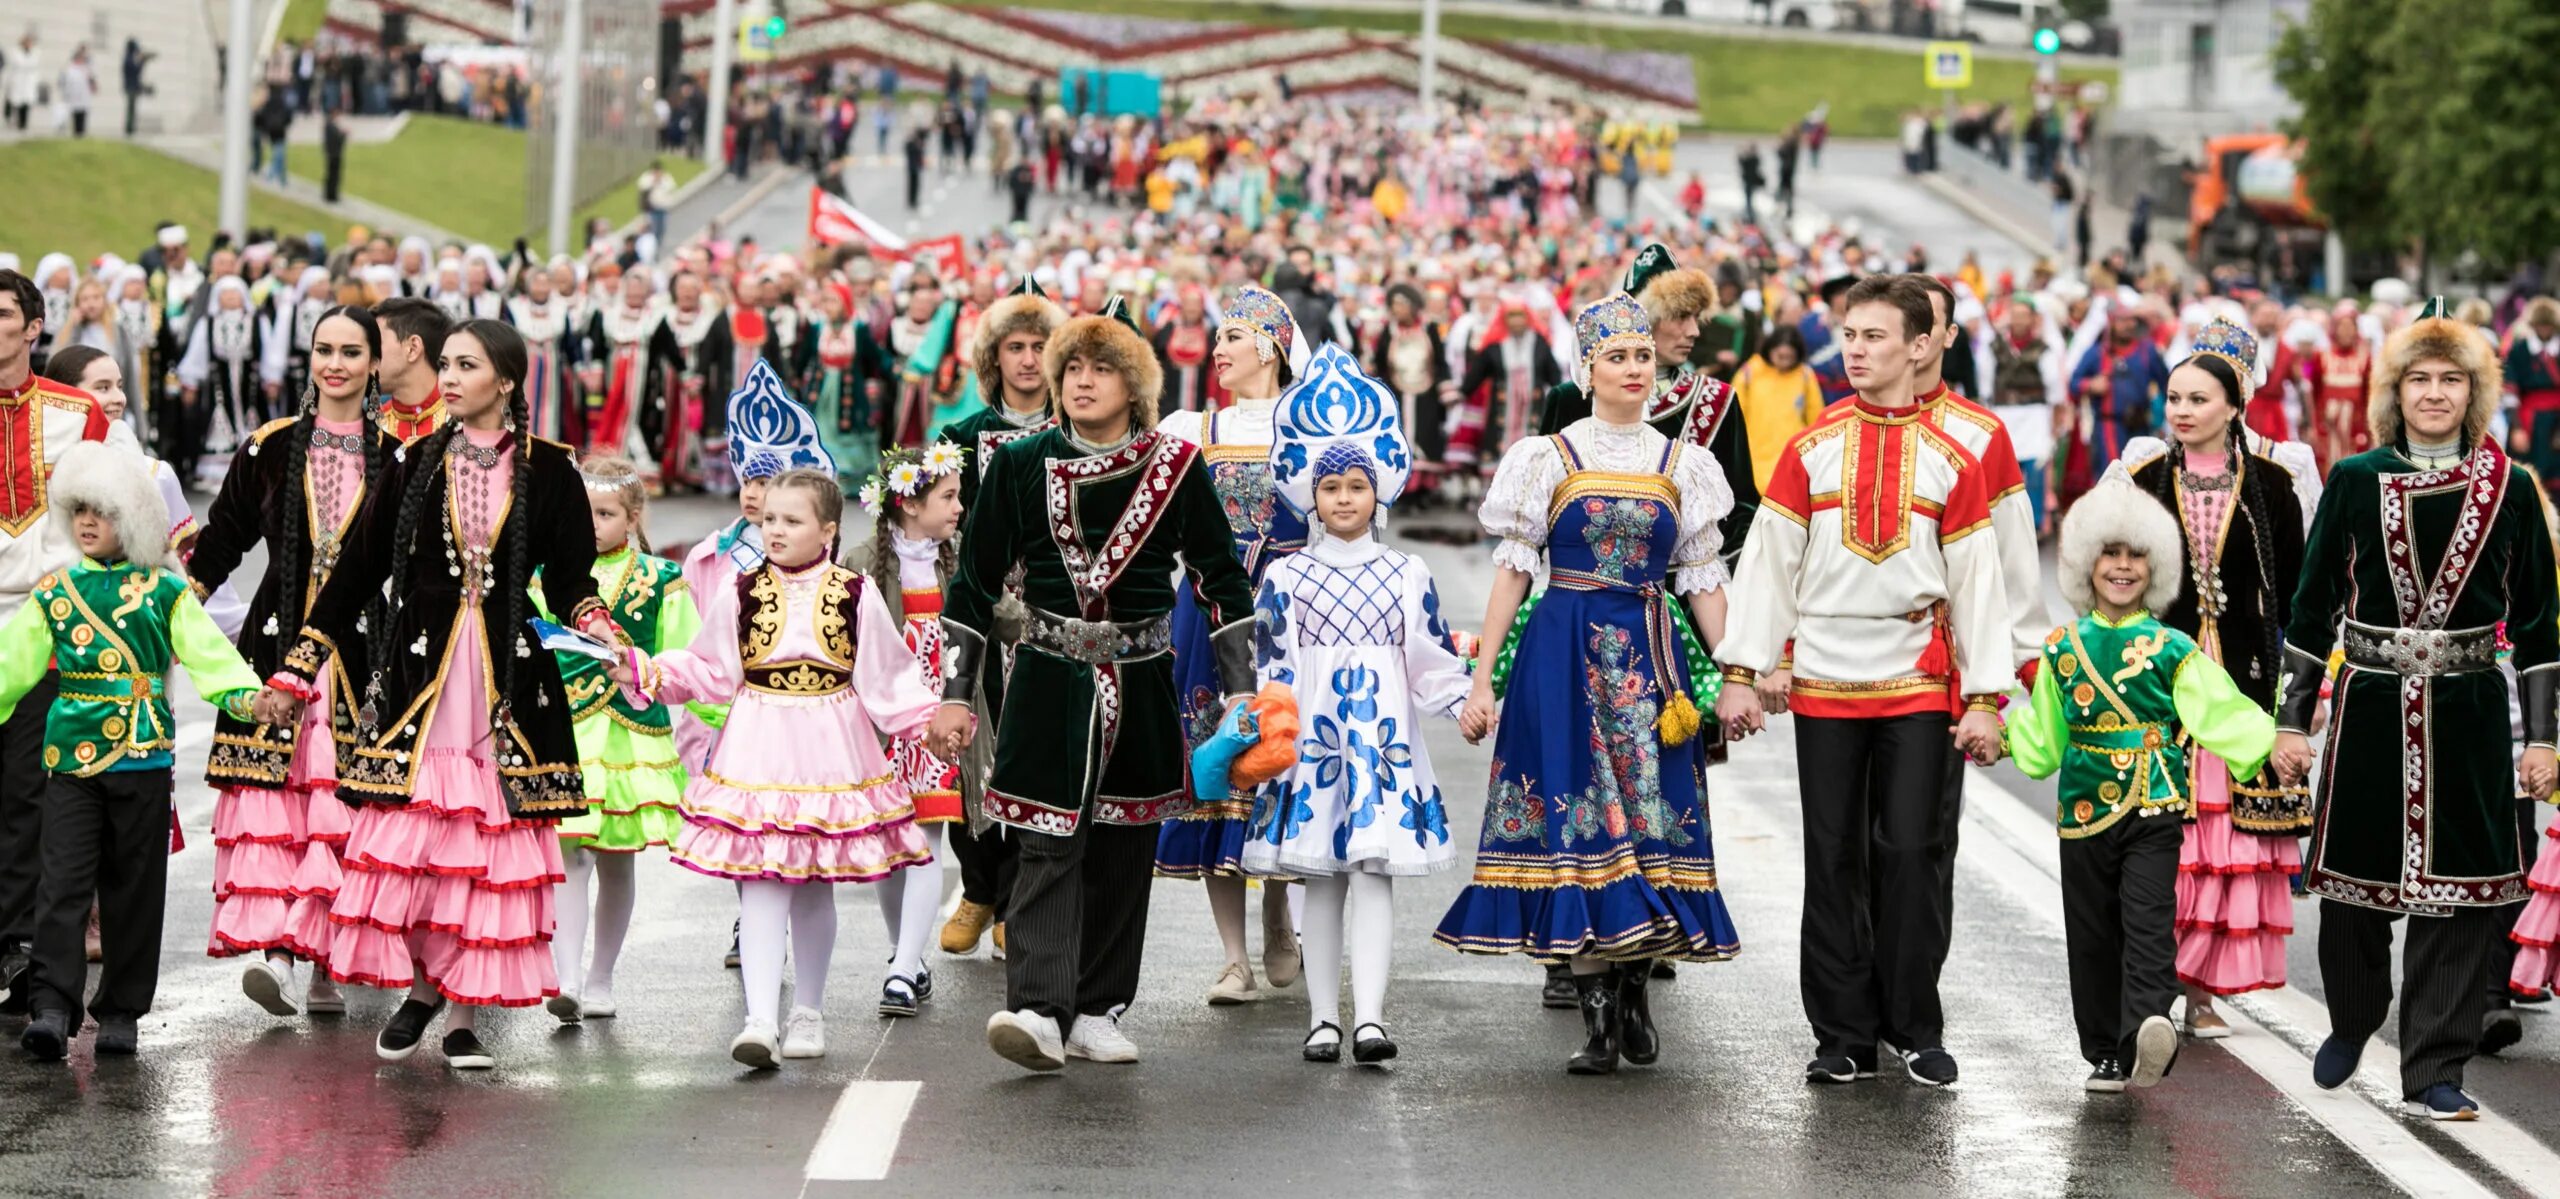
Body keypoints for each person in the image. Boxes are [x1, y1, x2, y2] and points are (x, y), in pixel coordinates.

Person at [251, 319, 618, 1072]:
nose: (447, 377)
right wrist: (296, 667)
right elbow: (354, 572)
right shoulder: (416, 461)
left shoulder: (550, 469)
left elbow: (573, 576)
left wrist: (595, 623)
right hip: (422, 682)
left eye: (466, 365)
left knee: (485, 847)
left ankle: (460, 1014)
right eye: (444, 363)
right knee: (416, 848)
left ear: (507, 380)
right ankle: (422, 987)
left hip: (508, 686)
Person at [927, 296, 1260, 1072]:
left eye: (1101, 368)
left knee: (1122, 847)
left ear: (1134, 385)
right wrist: (955, 691)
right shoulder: (1015, 463)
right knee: (1044, 841)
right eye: (1070, 366)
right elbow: (973, 585)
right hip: (1045, 676)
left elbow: (1221, 580)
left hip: (1142, 679)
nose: (1081, 380)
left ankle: (1100, 1007)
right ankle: (1038, 1009)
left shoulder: (1176, 467)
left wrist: (1242, 687)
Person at [1714, 275, 2011, 1088]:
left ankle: (1914, 1023)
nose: (1856, 350)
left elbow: (1978, 579)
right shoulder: (1810, 448)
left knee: (1912, 848)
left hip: (1917, 678)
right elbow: (1769, 566)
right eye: (1849, 335)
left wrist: (1985, 695)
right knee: (1834, 853)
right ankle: (1842, 1033)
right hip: (1824, 680)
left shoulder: (1956, 457)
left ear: (1920, 346)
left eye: (1875, 336)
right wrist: (1742, 670)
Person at [1436, 290, 1741, 1074]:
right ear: (1589, 369)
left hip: (1649, 657)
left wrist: (1737, 671)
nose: (1635, 368)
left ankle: (1634, 988)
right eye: (1618, 357)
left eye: (1643, 355)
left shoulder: (1685, 465)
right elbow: (1512, 573)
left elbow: (1702, 576)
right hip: (1562, 648)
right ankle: (1598, 1018)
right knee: (1575, 824)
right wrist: (1483, 681)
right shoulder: (1549, 457)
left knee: (1647, 820)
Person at [2272, 299, 2559, 1121]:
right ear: (2394, 392)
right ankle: (2355, 1018)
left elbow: (2539, 619)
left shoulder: (2514, 486)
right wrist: (2294, 720)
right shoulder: (2355, 479)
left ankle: (2436, 1063)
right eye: (2420, 379)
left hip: (2469, 709)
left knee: (2464, 899)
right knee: (2356, 892)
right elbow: (2313, 600)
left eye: (2452, 380)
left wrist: (2542, 739)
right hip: (2368, 703)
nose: (2435, 393)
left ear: (2476, 393)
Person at [613, 448, 939, 1066]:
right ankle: (761, 1019)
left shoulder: (856, 592)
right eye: (770, 521)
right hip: (757, 743)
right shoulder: (741, 591)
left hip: (831, 749)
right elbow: (709, 669)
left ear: (829, 530)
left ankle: (808, 1012)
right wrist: (645, 668)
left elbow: (888, 679)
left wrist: (935, 721)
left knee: (814, 886)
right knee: (761, 880)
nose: (776, 531)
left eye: (792, 521)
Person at [2003, 477, 2276, 1092]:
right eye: (2110, 553)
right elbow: (2044, 743)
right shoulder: (2060, 650)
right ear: (2084, 564)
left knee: (2150, 919)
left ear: (2155, 567)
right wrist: (2002, 736)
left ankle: (2150, 1024)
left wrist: (2272, 741)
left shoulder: (2174, 648)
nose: (2122, 567)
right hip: (2081, 812)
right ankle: (2105, 1049)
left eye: (2136, 555)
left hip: (2154, 805)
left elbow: (2221, 710)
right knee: (2093, 932)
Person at [1245, 343, 1468, 1064]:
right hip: (1314, 745)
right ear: (1311, 493)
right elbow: (1272, 666)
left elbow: (1430, 660)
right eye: (1331, 486)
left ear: (1380, 490)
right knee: (1319, 875)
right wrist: (1264, 734)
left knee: (1373, 871)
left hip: (1382, 746)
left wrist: (1466, 701)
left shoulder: (1407, 571)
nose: (1344, 497)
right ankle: (1322, 1019)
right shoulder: (1287, 574)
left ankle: (1368, 1016)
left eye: (1356, 486)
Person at [6, 440, 263, 1059]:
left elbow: (210, 657)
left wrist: (251, 700)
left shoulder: (165, 592)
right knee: (61, 884)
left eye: (105, 511)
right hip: (69, 761)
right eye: (80, 511)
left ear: (137, 519)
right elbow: (12, 665)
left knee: (133, 887)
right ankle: (50, 1005)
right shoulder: (54, 593)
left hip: (143, 756)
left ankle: (121, 1010)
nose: (89, 523)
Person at [182, 305, 391, 1018]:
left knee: (340, 807)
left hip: (359, 651)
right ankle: (279, 951)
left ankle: (327, 963)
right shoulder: (267, 446)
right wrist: (174, 607)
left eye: (351, 351)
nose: (335, 363)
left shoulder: (397, 457)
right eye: (324, 349)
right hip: (275, 640)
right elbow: (225, 537)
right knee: (279, 800)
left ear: (373, 363)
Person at [2114, 321, 2307, 1034]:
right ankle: (2155, 976)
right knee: (2164, 829)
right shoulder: (2140, 480)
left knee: (2223, 837)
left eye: (2199, 398)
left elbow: (2294, 593)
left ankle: (2200, 989)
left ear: (2235, 404)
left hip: (2241, 678)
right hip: (2160, 676)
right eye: (2173, 399)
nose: (2182, 410)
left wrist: (2295, 695)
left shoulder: (2277, 485)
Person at [1154, 284, 1307, 1005]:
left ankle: (1279, 909)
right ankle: (1233, 957)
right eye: (1219, 338)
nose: (1218, 350)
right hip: (1208, 615)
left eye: (1234, 338)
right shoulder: (1193, 428)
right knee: (1215, 767)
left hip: (1285, 617)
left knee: (1274, 757)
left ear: (1272, 348)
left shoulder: (1307, 427)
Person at [540, 453, 698, 1025]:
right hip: (568, 732)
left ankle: (602, 976)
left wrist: (724, 718)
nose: (591, 526)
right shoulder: (547, 575)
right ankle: (569, 978)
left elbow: (687, 657)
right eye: (582, 514)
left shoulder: (662, 579)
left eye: (604, 514)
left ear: (631, 518)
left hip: (631, 739)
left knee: (616, 862)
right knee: (568, 855)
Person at [0, 269, 115, 1008]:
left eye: (2, 313)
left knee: (25, 794)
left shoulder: (80, 413)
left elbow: (99, 522)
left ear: (34, 328)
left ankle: (13, 945)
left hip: (42, 627)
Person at [856, 441, 970, 1014]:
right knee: (886, 846)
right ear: (907, 504)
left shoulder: (963, 562)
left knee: (926, 842)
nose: (958, 507)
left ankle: (902, 966)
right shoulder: (860, 565)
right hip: (880, 729)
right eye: (947, 497)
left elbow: (1002, 617)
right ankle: (905, 952)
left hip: (937, 727)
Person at [796, 279, 897, 490]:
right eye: (826, 301)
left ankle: (847, 481)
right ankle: (820, 475)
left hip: (849, 392)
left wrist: (893, 368)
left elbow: (875, 355)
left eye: (834, 301)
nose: (828, 306)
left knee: (848, 432)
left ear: (845, 303)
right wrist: (794, 376)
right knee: (820, 429)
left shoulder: (858, 329)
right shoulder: (817, 328)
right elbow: (804, 356)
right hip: (822, 391)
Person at [1731, 324, 1822, 492]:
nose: (1784, 361)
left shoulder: (1805, 375)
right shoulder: (1749, 372)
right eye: (1780, 355)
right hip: (1754, 462)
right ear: (1770, 349)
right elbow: (1733, 418)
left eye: (1789, 357)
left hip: (1793, 463)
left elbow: (1816, 421)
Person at [369, 296, 453, 441]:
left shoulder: (466, 423)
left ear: (412, 349)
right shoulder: (373, 429)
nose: (365, 355)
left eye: (375, 343)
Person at [2304, 303, 2372, 475]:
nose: (2346, 332)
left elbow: (2368, 395)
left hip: (2354, 428)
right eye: (2342, 327)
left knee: (2355, 468)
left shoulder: (2365, 357)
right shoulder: (2321, 355)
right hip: (2327, 428)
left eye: (2350, 327)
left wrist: (2368, 428)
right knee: (2326, 468)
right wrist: (2312, 425)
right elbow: (2314, 391)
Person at [121, 39, 153, 137]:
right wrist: (142, 61)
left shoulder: (128, 58)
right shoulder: (128, 59)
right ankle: (129, 129)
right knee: (131, 108)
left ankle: (130, 128)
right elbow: (136, 71)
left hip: (132, 86)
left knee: (132, 108)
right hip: (131, 87)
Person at [322, 107, 347, 202]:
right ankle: (332, 196)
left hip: (331, 153)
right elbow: (337, 139)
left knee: (331, 175)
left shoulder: (329, 125)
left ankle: (329, 194)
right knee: (334, 176)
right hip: (334, 154)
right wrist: (344, 134)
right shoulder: (331, 126)